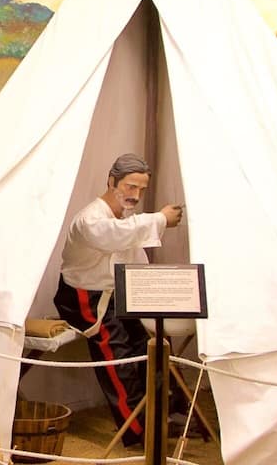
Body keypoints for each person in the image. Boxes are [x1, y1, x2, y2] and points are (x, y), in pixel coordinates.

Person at [52, 153, 184, 445]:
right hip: (83, 297)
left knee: (146, 345)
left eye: (141, 189)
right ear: (112, 181)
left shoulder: (122, 218)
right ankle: (136, 429)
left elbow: (129, 240)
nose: (135, 195)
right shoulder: (91, 219)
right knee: (117, 355)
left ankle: (165, 415)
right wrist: (160, 219)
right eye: (129, 186)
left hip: (114, 295)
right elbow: (115, 235)